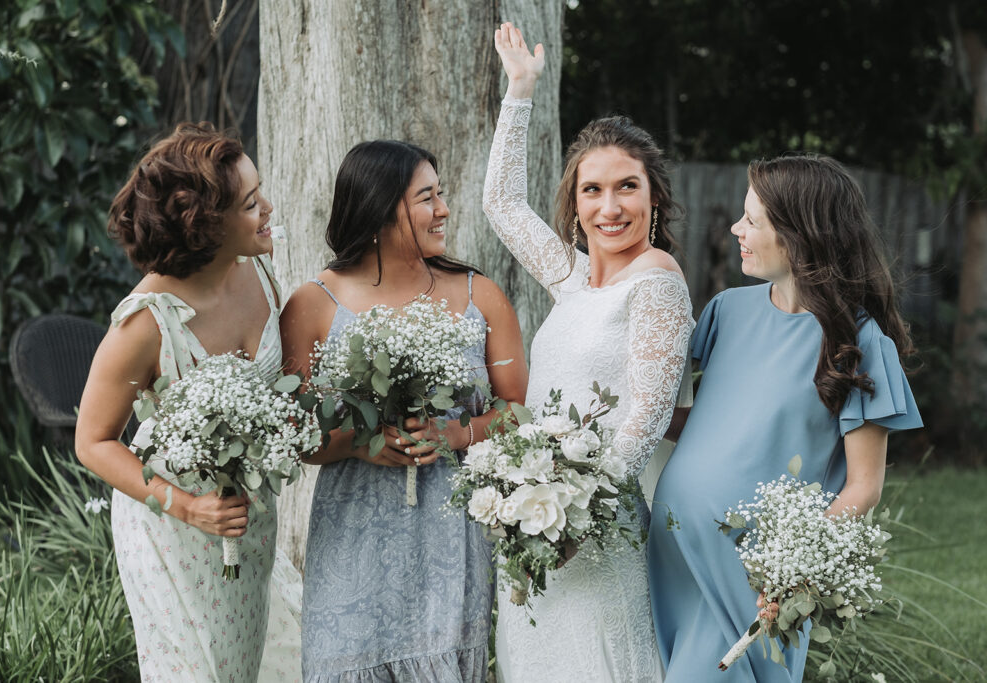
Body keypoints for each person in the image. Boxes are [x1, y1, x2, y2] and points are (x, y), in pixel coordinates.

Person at [648, 154, 923, 682]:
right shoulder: (726, 310)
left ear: (800, 236)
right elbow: (712, 424)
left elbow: (864, 486)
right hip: (674, 555)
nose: (736, 229)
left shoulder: (858, 344)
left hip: (751, 575)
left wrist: (792, 570)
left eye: (752, 220)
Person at [483, 23, 694, 682]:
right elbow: (502, 203)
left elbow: (645, 418)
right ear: (574, 205)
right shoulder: (574, 279)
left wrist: (578, 513)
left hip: (596, 530)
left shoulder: (657, 281)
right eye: (592, 189)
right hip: (537, 522)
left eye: (627, 186)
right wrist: (520, 90)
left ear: (653, 196)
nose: (610, 206)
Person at [280, 139, 528, 682]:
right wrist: (358, 442)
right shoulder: (313, 304)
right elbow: (293, 435)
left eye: (441, 194)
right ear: (380, 209)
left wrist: (457, 433)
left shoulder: (480, 296)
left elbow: (516, 411)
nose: (444, 209)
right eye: (426, 198)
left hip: (451, 532)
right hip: (352, 538)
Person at [75, 122, 301, 682]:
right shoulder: (143, 323)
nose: (268, 209)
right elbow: (93, 442)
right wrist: (187, 507)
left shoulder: (261, 267)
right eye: (250, 203)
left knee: (247, 666)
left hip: (248, 514)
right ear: (206, 224)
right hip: (172, 528)